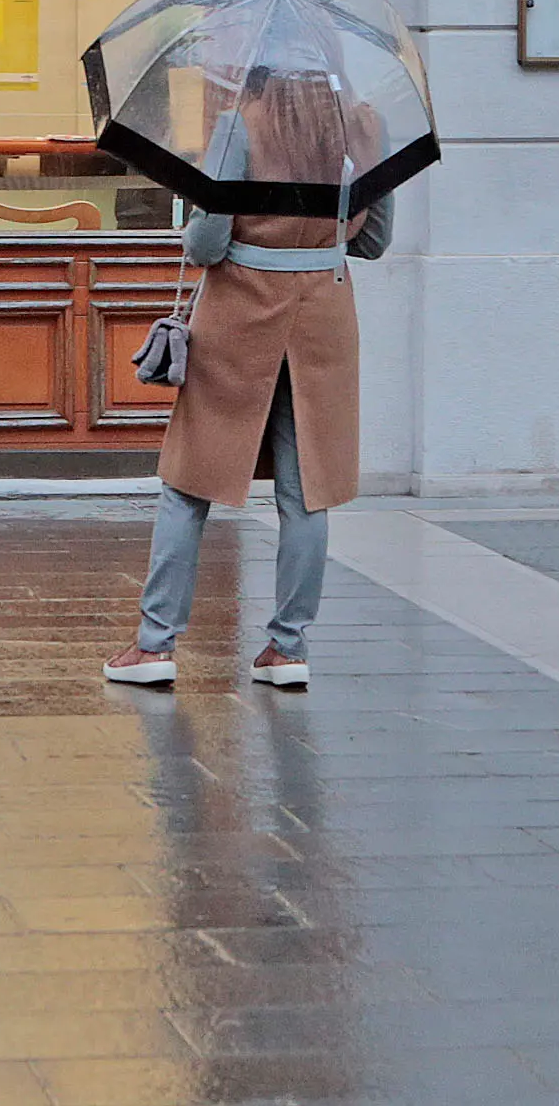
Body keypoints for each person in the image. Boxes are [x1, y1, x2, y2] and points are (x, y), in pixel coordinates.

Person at [106, 76, 387, 693]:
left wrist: (195, 217)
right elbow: (375, 240)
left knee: (190, 481)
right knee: (306, 487)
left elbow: (208, 243)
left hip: (240, 315)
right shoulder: (363, 125)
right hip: (324, 318)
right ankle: (288, 648)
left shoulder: (241, 124)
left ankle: (155, 644)